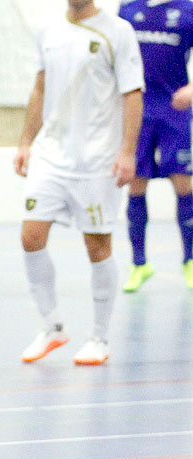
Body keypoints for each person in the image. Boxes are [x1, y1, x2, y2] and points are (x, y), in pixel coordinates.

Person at [14, 0, 144, 366]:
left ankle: (99, 338)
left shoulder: (118, 32)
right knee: (31, 237)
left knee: (97, 246)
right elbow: (40, 88)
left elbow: (132, 94)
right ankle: (52, 326)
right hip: (51, 158)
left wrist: (127, 152)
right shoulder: (48, 31)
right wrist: (26, 141)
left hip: (97, 162)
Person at [118, 0, 193, 292]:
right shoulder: (128, 10)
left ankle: (189, 260)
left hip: (174, 112)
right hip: (137, 111)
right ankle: (139, 264)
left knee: (183, 184)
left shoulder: (186, 10)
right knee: (135, 183)